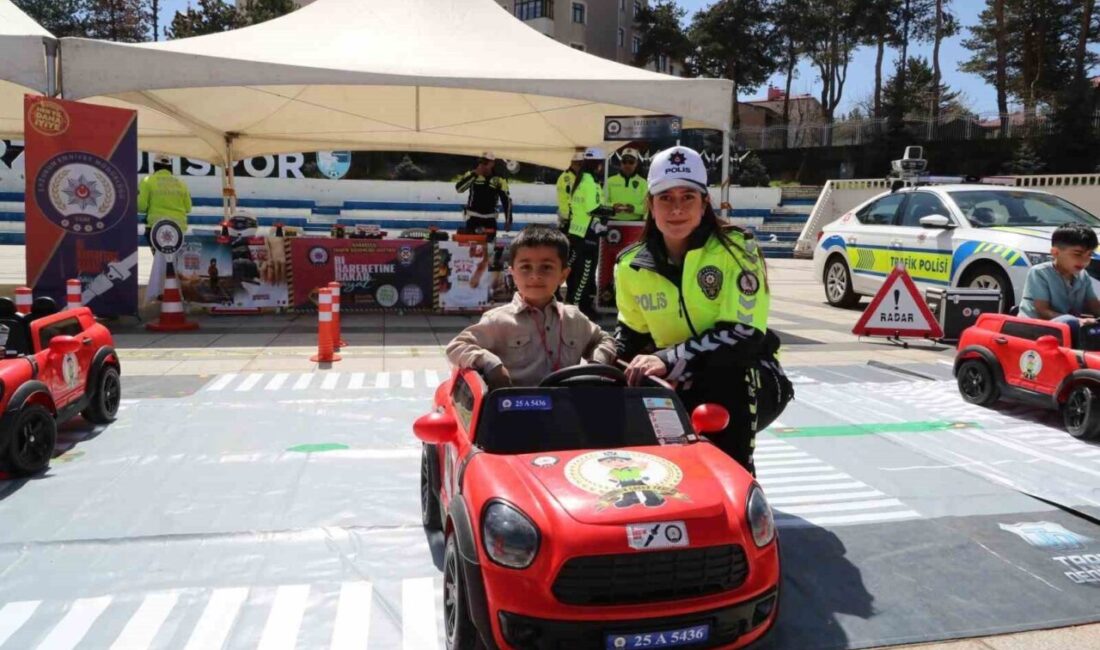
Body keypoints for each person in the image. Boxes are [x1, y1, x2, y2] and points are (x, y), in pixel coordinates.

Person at [613, 146, 793, 475]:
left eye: (688, 197)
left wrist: (666, 359)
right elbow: (631, 335)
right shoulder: (629, 265)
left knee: (729, 380)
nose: (677, 209)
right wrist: (597, 359)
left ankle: (739, 486)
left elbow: (745, 335)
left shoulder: (738, 250)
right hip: (674, 381)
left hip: (746, 376)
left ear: (704, 203)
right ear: (650, 204)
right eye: (666, 197)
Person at [446, 225, 616, 389]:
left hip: (568, 411)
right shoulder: (498, 321)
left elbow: (605, 340)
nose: (535, 276)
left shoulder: (575, 318)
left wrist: (597, 362)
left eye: (547, 267)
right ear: (512, 273)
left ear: (563, 275)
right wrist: (491, 364)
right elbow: (456, 347)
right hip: (519, 412)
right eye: (526, 267)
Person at [1018, 223, 1100, 347]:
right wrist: (1079, 321)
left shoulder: (1083, 276)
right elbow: (1043, 311)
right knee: (1070, 321)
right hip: (1037, 328)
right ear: (1055, 253)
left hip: (1066, 330)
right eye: (1077, 254)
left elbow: (1095, 306)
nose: (1084, 261)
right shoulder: (1039, 272)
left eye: (1089, 255)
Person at [565, 147, 615, 318]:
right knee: (584, 274)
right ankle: (577, 309)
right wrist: (612, 210)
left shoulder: (581, 180)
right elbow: (593, 208)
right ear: (598, 165)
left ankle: (580, 306)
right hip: (586, 234)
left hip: (578, 231)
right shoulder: (589, 182)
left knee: (578, 272)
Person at [455, 152, 513, 240]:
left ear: (492, 164)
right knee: (472, 247)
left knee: (489, 248)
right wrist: (474, 175)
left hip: (490, 219)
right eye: (481, 162)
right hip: (473, 218)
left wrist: (508, 220)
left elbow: (506, 200)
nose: (482, 165)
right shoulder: (471, 174)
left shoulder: (499, 179)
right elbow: (459, 189)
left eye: (485, 163)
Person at [138, 154, 191, 248]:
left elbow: (141, 207)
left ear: (154, 166)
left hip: (156, 228)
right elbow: (188, 208)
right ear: (170, 167)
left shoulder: (147, 181)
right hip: (179, 228)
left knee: (160, 258)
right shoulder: (181, 183)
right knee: (174, 258)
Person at [606, 147, 648, 221]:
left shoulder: (643, 183)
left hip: (636, 224)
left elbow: (647, 207)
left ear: (636, 163)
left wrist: (634, 209)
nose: (627, 165)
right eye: (624, 161)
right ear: (621, 163)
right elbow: (602, 202)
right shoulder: (610, 181)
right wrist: (612, 207)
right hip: (612, 223)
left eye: (631, 162)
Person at [556, 152, 584, 231]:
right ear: (574, 163)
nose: (582, 167)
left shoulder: (574, 176)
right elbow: (572, 195)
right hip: (567, 218)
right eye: (580, 164)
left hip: (571, 217)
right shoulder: (567, 177)